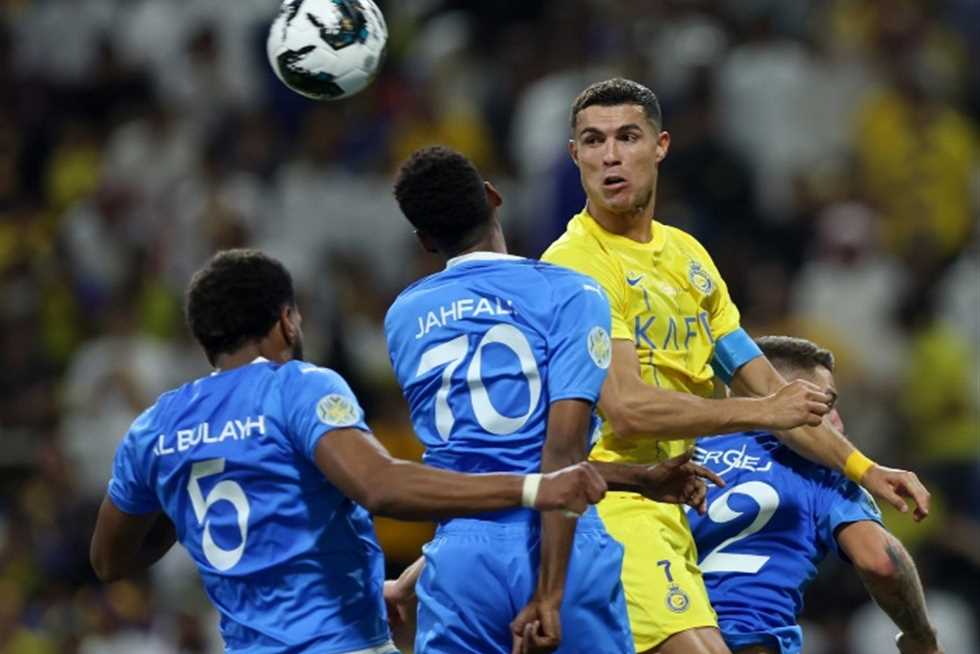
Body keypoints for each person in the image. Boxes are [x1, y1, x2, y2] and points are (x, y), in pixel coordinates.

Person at [540, 77, 931, 654]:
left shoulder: (689, 259)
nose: (610, 156)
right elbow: (627, 409)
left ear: (661, 145)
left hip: (669, 511)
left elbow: (775, 392)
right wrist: (763, 410)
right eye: (593, 142)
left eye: (627, 137)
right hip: (608, 506)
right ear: (575, 156)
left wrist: (866, 470)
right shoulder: (576, 264)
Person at [89, 248, 611, 654]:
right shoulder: (296, 387)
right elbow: (381, 488)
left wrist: (184, 509)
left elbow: (109, 559)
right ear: (287, 321)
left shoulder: (156, 426)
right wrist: (533, 487)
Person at [384, 145, 722, 654]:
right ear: (493, 197)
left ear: (425, 239)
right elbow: (559, 454)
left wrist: (638, 479)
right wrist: (549, 593)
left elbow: (492, 459)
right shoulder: (572, 293)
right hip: (558, 546)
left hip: (459, 560)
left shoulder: (404, 316)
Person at [688, 335, 943, 654]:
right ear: (786, 397)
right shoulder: (824, 474)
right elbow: (881, 564)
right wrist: (921, 637)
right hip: (750, 641)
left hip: (655, 634)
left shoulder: (677, 455)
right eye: (827, 403)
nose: (838, 421)